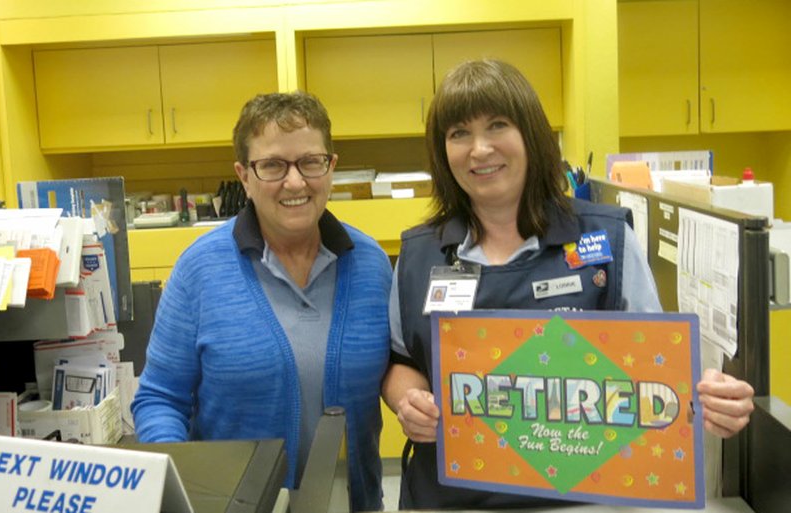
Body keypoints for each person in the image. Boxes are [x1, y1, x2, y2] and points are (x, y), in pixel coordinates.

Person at [381, 59, 755, 510]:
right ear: (443, 151)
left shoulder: (607, 240)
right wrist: (409, 401)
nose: (479, 149)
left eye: (497, 125)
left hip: (582, 497)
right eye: (459, 133)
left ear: (532, 136)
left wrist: (708, 401)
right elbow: (402, 359)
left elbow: (661, 377)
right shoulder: (419, 254)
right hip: (451, 495)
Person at [132, 92, 391, 512]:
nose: (295, 182)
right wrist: (178, 485)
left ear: (331, 167)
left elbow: (395, 366)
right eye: (272, 165)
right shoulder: (199, 268)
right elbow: (160, 398)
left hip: (353, 503)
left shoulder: (371, 265)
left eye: (311, 162)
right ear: (244, 176)